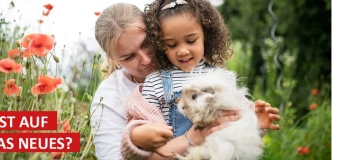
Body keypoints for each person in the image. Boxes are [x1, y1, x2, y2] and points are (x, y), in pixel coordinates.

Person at [90, 2, 280, 160]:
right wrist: (136, 136)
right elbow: (129, 145)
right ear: (112, 58)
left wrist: (252, 119)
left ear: (156, 33)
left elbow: (231, 112)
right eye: (129, 56)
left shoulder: (204, 70)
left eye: (146, 43)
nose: (146, 60)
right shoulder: (114, 97)